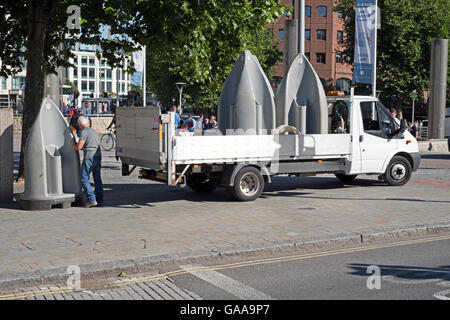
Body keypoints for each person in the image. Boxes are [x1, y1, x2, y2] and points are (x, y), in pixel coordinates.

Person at [71, 116, 104, 208]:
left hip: (89, 157)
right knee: (97, 178)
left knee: (83, 178)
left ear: (79, 125)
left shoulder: (83, 132)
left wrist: (73, 145)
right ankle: (100, 199)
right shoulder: (93, 131)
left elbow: (79, 147)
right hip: (98, 156)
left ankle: (91, 199)